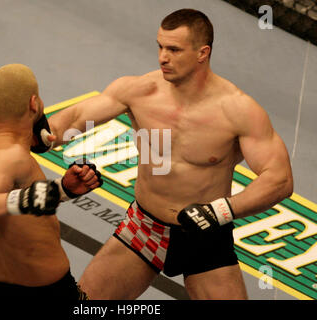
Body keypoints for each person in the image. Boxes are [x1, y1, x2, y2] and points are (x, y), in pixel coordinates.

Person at [43, 9, 294, 300]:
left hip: (205, 238)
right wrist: (47, 135)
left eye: (174, 49)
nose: (163, 57)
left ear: (203, 53)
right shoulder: (139, 91)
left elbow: (279, 180)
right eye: (160, 46)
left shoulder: (238, 111)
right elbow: (77, 116)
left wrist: (219, 211)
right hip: (144, 228)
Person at [0, 63, 102, 300]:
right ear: (34, 102)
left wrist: (61, 190)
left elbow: (10, 208)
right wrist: (26, 198)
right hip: (40, 293)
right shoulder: (10, 156)